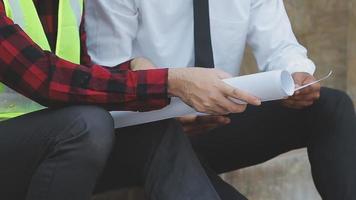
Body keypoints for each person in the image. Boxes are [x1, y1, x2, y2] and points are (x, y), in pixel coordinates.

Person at [85, 0, 356, 199]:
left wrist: (297, 74)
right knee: (162, 136)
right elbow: (107, 76)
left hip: (217, 120)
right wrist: (164, 105)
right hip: (146, 128)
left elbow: (281, 46)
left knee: (330, 106)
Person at [0, 0, 262, 200]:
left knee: (152, 126)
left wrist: (134, 68)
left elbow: (80, 76)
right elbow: (44, 78)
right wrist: (170, 82)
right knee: (86, 125)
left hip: (44, 143)